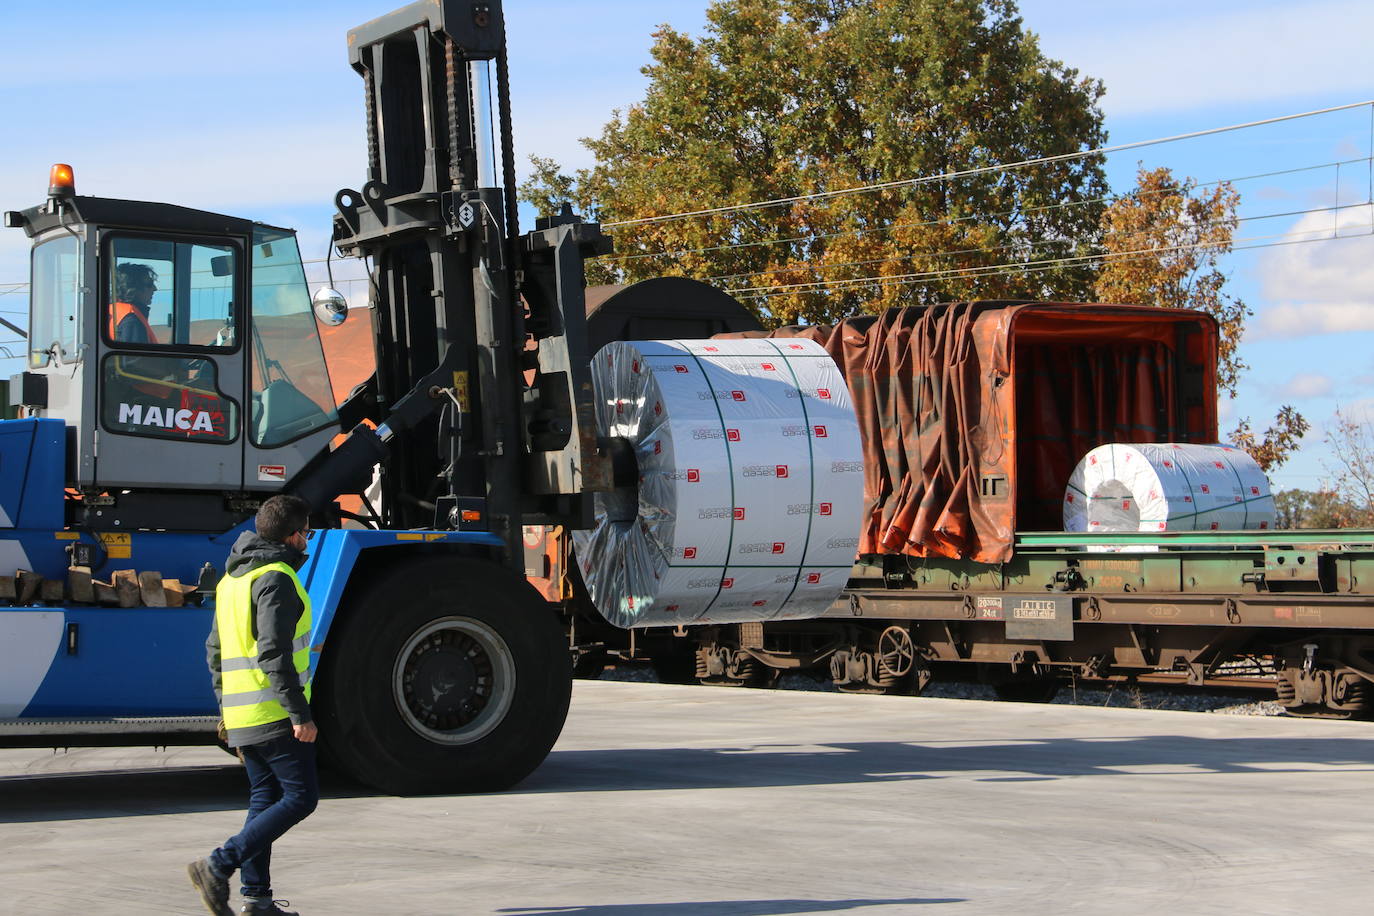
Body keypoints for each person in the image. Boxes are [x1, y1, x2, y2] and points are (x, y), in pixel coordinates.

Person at [189, 494, 319, 916]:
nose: (307, 542)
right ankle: (218, 863)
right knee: (301, 799)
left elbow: (214, 651)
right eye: (307, 534)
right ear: (294, 535)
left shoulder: (231, 581)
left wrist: (226, 710)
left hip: (244, 714)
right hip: (274, 713)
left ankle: (257, 900)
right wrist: (299, 713)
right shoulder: (276, 578)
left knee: (265, 798)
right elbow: (273, 653)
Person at [110, 262, 160, 343]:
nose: (155, 289)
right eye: (149, 284)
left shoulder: (113, 309)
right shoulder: (131, 320)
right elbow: (135, 355)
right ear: (133, 288)